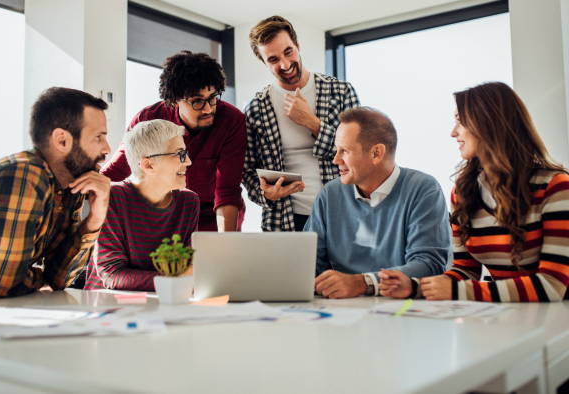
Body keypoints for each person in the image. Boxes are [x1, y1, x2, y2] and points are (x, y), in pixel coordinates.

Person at [379, 82, 569, 302]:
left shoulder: (555, 187)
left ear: (488, 122)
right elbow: (466, 271)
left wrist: (462, 292)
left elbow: (553, 285)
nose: (453, 132)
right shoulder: (462, 193)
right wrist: (415, 287)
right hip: (509, 316)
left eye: (460, 121)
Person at [0, 87, 111, 298]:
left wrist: (95, 218)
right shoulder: (24, 175)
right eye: (98, 136)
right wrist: (42, 277)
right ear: (62, 140)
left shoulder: (69, 188)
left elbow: (60, 279)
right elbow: (5, 286)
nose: (107, 148)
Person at [306, 106, 452, 299]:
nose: (335, 159)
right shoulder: (330, 194)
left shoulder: (423, 189)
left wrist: (363, 283)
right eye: (336, 150)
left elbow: (428, 265)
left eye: (345, 151)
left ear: (376, 153)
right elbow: (308, 262)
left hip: (403, 309)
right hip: (344, 308)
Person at [102, 51, 246, 232]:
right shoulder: (147, 119)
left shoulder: (232, 121)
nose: (208, 109)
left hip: (213, 217)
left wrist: (226, 244)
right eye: (197, 101)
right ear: (176, 100)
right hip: (166, 215)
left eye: (212, 98)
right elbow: (116, 170)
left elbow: (227, 191)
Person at [243, 16, 360, 232]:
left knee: (341, 269)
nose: (285, 65)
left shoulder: (341, 92)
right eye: (273, 59)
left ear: (297, 45)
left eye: (288, 52)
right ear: (264, 63)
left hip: (340, 216)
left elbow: (357, 152)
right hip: (283, 221)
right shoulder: (256, 109)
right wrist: (265, 194)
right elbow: (247, 169)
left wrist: (312, 123)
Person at [84, 120, 199, 291]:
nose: (188, 161)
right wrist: (175, 281)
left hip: (162, 300)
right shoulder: (112, 198)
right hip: (108, 304)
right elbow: (112, 274)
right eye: (179, 154)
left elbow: (188, 268)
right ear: (148, 165)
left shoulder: (188, 203)